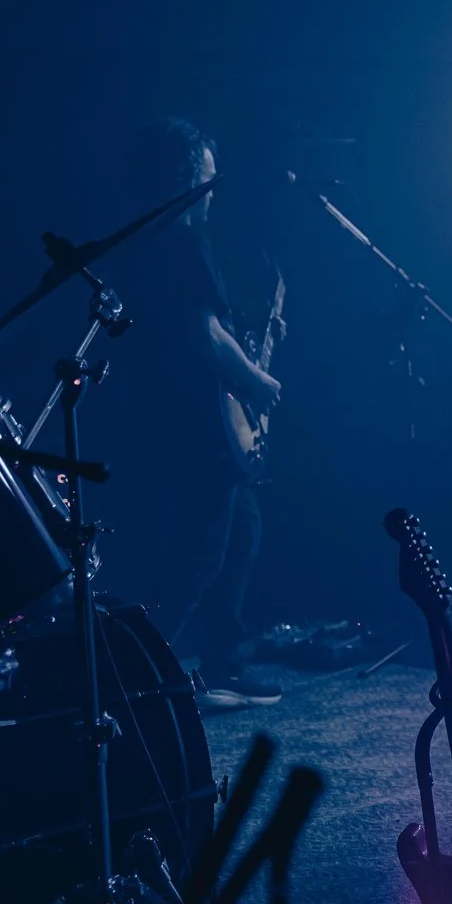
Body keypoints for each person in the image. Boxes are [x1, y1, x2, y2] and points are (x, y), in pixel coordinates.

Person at [118, 117, 284, 712]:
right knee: (203, 550)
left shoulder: (157, 241)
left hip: (183, 415)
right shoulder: (181, 240)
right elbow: (203, 333)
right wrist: (256, 378)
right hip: (193, 420)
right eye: (208, 177)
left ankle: (223, 664)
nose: (214, 191)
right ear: (185, 177)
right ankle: (140, 678)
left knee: (241, 533)